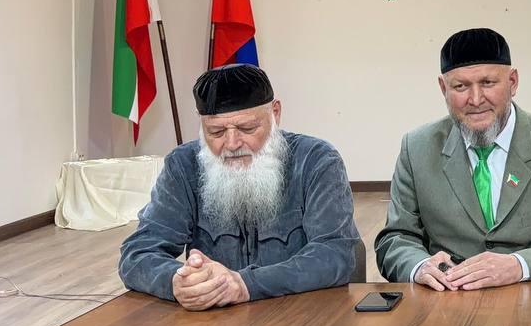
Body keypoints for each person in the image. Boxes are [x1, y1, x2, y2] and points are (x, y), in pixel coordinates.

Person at [375, 28, 531, 290]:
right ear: (443, 88)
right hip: (447, 299)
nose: (475, 100)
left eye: (487, 83)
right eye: (461, 86)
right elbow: (395, 240)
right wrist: (420, 266)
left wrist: (520, 265)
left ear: (513, 82)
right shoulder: (416, 148)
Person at [119, 64, 360, 311]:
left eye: (247, 128)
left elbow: (335, 255)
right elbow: (137, 254)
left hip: (303, 313)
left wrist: (246, 284)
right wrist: (178, 281)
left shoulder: (315, 160)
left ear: (275, 113)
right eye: (216, 132)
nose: (232, 144)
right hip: (216, 321)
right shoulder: (183, 165)